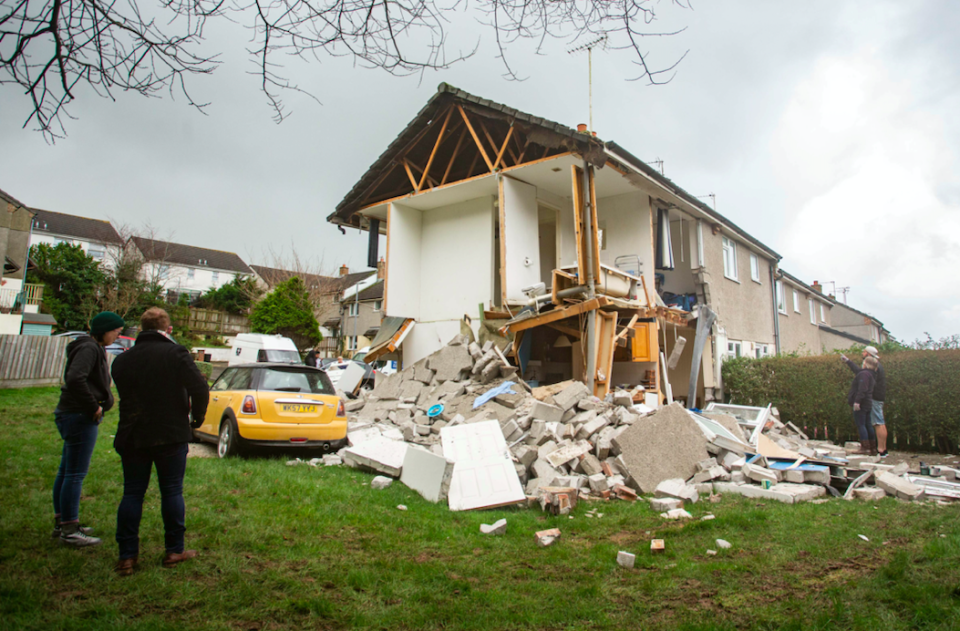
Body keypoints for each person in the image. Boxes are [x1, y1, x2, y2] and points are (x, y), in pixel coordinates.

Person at [110, 307, 209, 576]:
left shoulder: (122, 361)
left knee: (132, 492)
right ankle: (174, 550)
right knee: (171, 490)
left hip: (133, 432)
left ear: (141, 329)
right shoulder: (176, 354)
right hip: (170, 432)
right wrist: (196, 419)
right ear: (168, 330)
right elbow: (200, 388)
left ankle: (127, 556)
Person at [51, 311, 126, 547]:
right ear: (103, 330)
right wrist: (92, 406)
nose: (118, 335)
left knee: (66, 471)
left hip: (72, 414)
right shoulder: (89, 348)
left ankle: (63, 522)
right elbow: (75, 378)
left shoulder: (88, 347)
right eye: (116, 331)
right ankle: (70, 530)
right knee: (75, 474)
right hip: (79, 416)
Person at [842, 346, 888, 457]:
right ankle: (877, 448)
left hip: (874, 397)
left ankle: (881, 449)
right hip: (875, 397)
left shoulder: (874, 367)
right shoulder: (874, 367)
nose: (862, 353)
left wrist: (858, 401)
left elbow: (863, 383)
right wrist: (848, 362)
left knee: (878, 423)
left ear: (867, 355)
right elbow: (861, 372)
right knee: (873, 423)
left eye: (864, 352)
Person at [845, 354, 878, 455]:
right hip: (868, 402)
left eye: (864, 362)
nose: (862, 363)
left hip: (862, 403)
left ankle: (865, 448)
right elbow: (857, 370)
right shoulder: (870, 374)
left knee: (861, 425)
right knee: (868, 424)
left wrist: (857, 401)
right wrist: (848, 361)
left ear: (866, 364)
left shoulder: (864, 375)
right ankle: (872, 448)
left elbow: (862, 389)